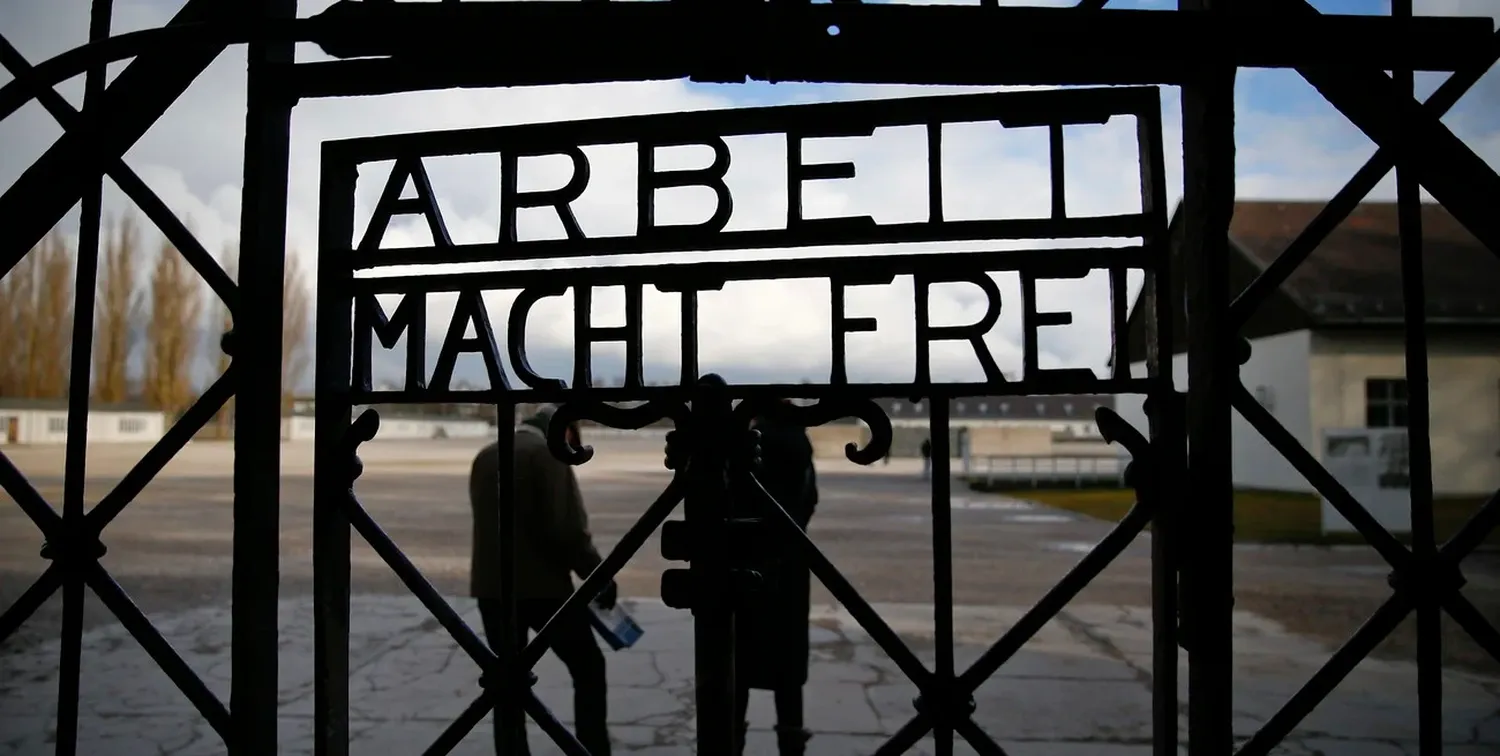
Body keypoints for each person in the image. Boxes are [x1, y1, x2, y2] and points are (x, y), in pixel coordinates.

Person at [469, 405, 616, 756]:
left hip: (491, 589)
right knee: (589, 668)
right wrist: (598, 577)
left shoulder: (486, 455)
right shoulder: (548, 454)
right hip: (543, 589)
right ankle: (591, 749)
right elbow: (566, 529)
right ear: (565, 432)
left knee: (507, 684)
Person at [733, 399, 820, 756]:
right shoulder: (800, 446)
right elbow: (810, 500)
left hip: (745, 565)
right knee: (788, 673)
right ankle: (791, 741)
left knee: (738, 669)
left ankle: (730, 740)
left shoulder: (747, 444)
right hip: (790, 567)